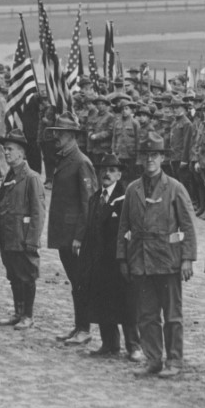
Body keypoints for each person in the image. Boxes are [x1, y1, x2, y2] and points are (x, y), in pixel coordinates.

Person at [117, 131, 198, 379]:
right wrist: (122, 257)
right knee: (147, 315)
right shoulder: (133, 189)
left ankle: (174, 359)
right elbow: (123, 227)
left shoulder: (174, 188)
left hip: (168, 261)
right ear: (141, 159)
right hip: (141, 261)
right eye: (146, 155)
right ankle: (153, 359)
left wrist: (187, 259)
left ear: (162, 158)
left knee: (173, 315)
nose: (150, 159)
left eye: (155, 155)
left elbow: (188, 227)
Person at [76, 154, 142, 361]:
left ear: (120, 174)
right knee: (103, 303)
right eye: (104, 169)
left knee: (127, 305)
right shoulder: (96, 198)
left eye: (112, 170)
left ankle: (134, 346)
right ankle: (109, 343)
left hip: (119, 261)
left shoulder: (126, 197)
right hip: (99, 261)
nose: (107, 173)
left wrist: (127, 258)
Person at [45, 114, 98, 345]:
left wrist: (80, 236)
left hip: (75, 236)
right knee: (75, 282)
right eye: (56, 132)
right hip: (64, 234)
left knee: (80, 282)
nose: (56, 136)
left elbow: (89, 203)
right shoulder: (66, 158)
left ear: (73, 136)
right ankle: (79, 326)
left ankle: (85, 329)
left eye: (61, 133)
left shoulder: (81, 162)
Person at [0, 128, 45, 330]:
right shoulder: (9, 175)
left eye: (10, 149)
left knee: (26, 276)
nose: (6, 153)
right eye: (4, 149)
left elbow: (38, 212)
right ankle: (18, 312)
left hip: (22, 237)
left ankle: (28, 315)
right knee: (13, 275)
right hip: (8, 236)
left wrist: (32, 240)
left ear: (21, 152)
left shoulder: (31, 178)